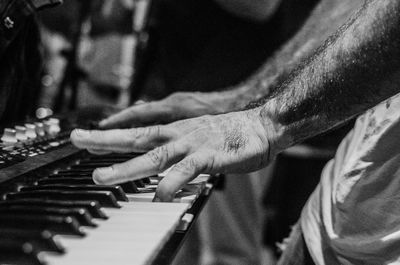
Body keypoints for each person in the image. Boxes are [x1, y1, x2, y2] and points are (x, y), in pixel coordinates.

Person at [71, 0, 400, 264]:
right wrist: (246, 101)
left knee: (227, 251)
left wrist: (266, 122)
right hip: (331, 215)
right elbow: (353, 9)